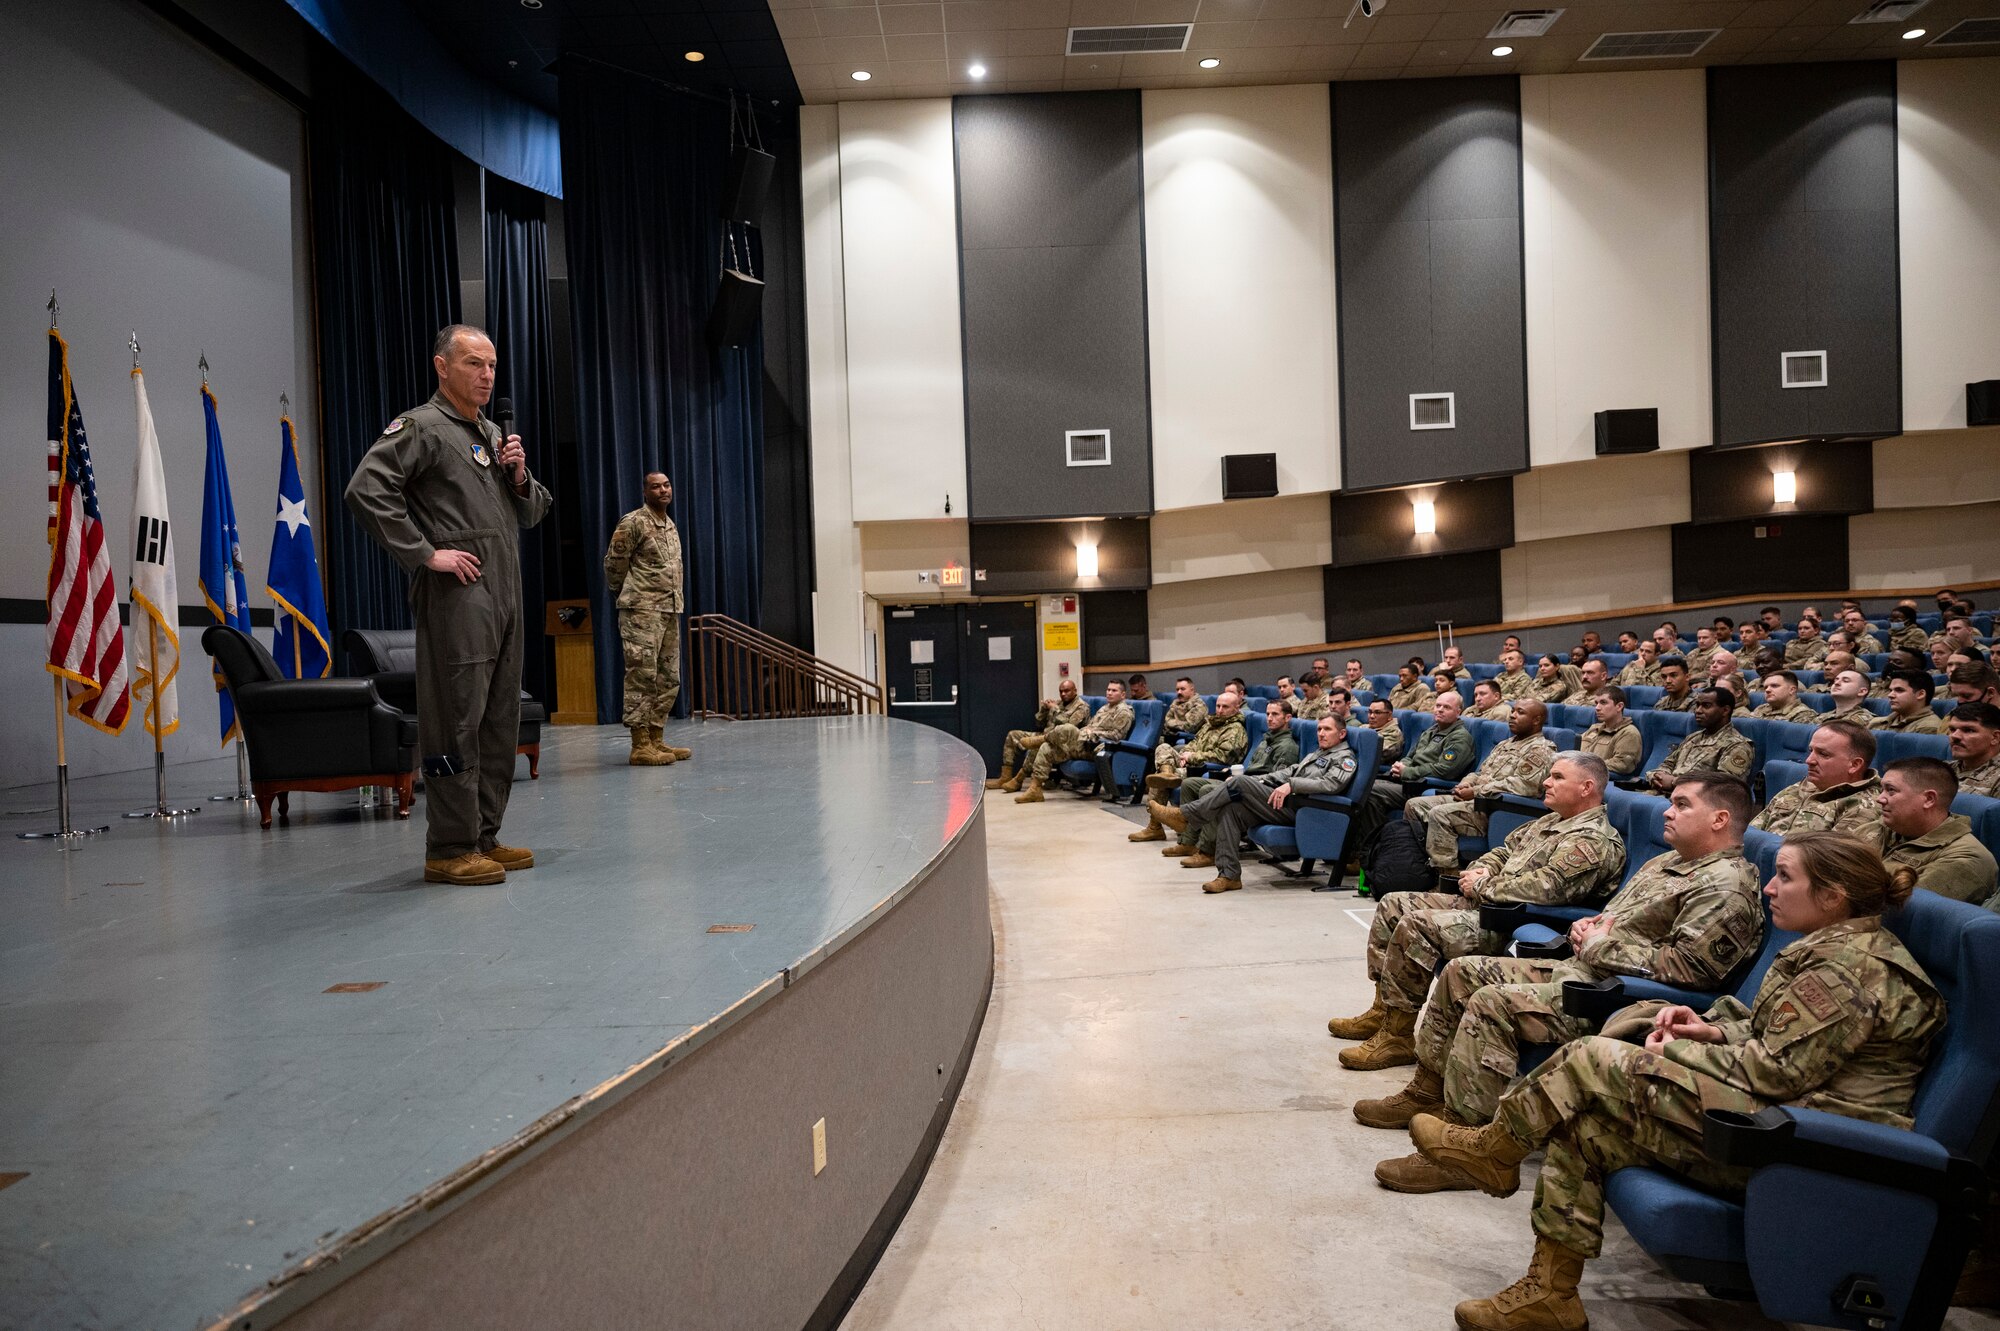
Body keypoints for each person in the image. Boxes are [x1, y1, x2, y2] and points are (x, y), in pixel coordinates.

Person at [1409, 831, 1942, 1331]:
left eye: (1785, 877)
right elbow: (1769, 1034)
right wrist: (1710, 1028)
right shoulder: (1826, 948)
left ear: (1833, 896)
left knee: (1593, 1059)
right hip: (1774, 1118)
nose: (1771, 888)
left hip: (1807, 1146)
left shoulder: (1848, 970)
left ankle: (1494, 1149)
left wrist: (1680, 1049)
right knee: (1590, 1123)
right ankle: (1552, 1295)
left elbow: (1774, 1072)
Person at [1361, 773, 1762, 1188]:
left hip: (1612, 999)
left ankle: (1465, 1153)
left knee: (1492, 1003)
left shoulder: (1727, 885)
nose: (1667, 810)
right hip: (1583, 970)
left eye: (1682, 804)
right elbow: (1617, 919)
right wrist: (1592, 926)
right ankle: (1428, 1092)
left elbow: (1691, 970)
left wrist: (1597, 946)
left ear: (1719, 819)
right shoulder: (1670, 861)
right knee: (1464, 973)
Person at [345, 324, 553, 887]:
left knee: (497, 720)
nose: (486, 375)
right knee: (456, 718)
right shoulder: (422, 427)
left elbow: (534, 511)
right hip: (459, 599)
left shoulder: (489, 433)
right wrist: (425, 553)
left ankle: (484, 834)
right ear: (442, 367)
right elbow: (365, 489)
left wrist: (517, 473)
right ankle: (449, 844)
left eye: (491, 365)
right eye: (472, 364)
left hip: (504, 595)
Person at [1331, 752, 1625, 1072]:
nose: (1545, 782)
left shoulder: (1592, 839)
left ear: (1586, 787)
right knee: (1393, 904)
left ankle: (1398, 1038)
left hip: (1512, 920)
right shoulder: (1553, 819)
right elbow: (1503, 850)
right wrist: (1480, 870)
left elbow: (1548, 890)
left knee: (1417, 925)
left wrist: (1484, 886)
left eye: (1557, 777)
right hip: (1485, 903)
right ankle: (1385, 1010)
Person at [1196, 716, 1360, 895]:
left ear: (1342, 733)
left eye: (1327, 729)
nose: (1321, 733)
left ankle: (1189, 815)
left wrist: (1292, 785)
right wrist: (1260, 780)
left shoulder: (1345, 757)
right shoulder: (1318, 752)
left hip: (1309, 811)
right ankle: (1229, 876)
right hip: (1292, 805)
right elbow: (1291, 771)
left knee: (1240, 782)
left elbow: (1331, 784)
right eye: (1319, 729)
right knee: (1232, 809)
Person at [1403, 701, 1560, 878]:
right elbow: (1481, 772)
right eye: (1513, 711)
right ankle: (1418, 868)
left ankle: (1448, 877)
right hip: (1476, 801)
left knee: (1440, 814)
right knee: (1414, 806)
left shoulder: (1541, 749)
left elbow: (1524, 786)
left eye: (1520, 712)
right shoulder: (1505, 744)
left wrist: (1477, 791)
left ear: (1537, 720)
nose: (1513, 715)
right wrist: (1466, 784)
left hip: (1496, 810)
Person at [604, 471, 689, 767]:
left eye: (667, 485)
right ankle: (639, 745)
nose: (663, 490)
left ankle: (656, 738)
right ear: (645, 492)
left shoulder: (669, 525)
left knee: (668, 678)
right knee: (642, 675)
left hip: (669, 610)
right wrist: (628, 593)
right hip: (641, 611)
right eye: (656, 486)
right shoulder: (634, 522)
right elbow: (614, 564)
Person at [1161, 698, 1299, 868]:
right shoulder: (1266, 740)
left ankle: (1208, 851)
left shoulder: (1287, 746)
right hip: (1243, 782)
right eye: (1268, 714)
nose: (1269, 718)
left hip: (1256, 792)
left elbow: (1276, 781)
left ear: (1287, 718)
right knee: (1190, 783)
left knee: (1207, 789)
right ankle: (1188, 842)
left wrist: (1242, 780)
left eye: (1275, 714)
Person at [1346, 691, 1474, 860]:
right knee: (1369, 793)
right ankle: (1373, 852)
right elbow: (1410, 755)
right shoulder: (1431, 730)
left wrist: (1407, 772)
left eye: (1447, 707)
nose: (1440, 710)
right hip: (1410, 782)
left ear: (1458, 712)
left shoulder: (1460, 737)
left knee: (1370, 791)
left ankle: (1374, 852)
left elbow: (1445, 770)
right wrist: (1402, 765)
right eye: (1438, 706)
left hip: (1428, 787)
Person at [1131, 692, 1249, 841]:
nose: (1219, 710)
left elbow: (1223, 757)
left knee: (1160, 780)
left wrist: (1191, 757)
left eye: (1225, 707)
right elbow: (1195, 742)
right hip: (1192, 764)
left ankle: (1155, 827)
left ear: (1237, 708)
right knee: (1164, 748)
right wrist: (1186, 753)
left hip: (1206, 770)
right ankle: (1167, 774)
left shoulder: (1235, 729)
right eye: (1218, 706)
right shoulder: (1211, 724)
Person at [1878, 758, 1998, 903]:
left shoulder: (1967, 859)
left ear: (1929, 799)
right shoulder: (1880, 826)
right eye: (1882, 789)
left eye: (1891, 790)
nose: (1880, 798)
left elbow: (1896, 908)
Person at [1753, 719, 1883, 841]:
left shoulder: (1863, 808)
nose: (1809, 760)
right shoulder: (1800, 787)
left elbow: (1825, 861)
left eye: (1823, 754)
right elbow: (1751, 833)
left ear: (1855, 765)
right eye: (1811, 751)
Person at [1011, 681, 1134, 805]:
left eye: (1114, 690)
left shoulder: (1124, 712)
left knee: (1067, 728)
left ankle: (1041, 739)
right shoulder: (1104, 708)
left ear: (1123, 695)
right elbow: (1090, 725)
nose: (1109, 693)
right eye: (1108, 690)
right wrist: (1087, 730)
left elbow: (1117, 736)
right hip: (1083, 744)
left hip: (1096, 748)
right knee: (1046, 748)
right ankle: (1035, 789)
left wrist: (1093, 733)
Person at [990, 679, 1090, 792]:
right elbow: (1039, 723)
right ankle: (1005, 777)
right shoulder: (1059, 703)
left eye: (1066, 691)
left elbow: (1067, 727)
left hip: (1063, 742)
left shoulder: (1081, 707)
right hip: (1045, 735)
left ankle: (1019, 779)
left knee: (1038, 744)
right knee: (1013, 735)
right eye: (1061, 691)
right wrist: (1044, 710)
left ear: (1075, 691)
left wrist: (1055, 709)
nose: (1063, 694)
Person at [1645, 688, 1753, 790]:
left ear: (1725, 710)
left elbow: (1724, 786)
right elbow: (1668, 764)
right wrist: (1657, 776)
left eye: (1706, 706)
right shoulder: (1693, 737)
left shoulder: (1737, 745)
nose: (1698, 711)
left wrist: (1675, 781)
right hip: (1667, 794)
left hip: (1699, 802)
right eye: (1697, 705)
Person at [1578, 685, 1642, 780]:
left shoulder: (1628, 733)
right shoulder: (1594, 728)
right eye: (1596, 703)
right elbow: (1575, 749)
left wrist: (1585, 766)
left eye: (1603, 703)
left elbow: (1623, 764)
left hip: (1600, 779)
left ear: (1619, 706)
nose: (1597, 708)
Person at [1871, 670, 1948, 734]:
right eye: (1890, 690)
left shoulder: (1928, 727)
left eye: (1899, 690)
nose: (1890, 695)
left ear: (1920, 694)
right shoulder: (1876, 722)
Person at [1949, 702, 2000, 798]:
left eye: (1969, 730)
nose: (1955, 736)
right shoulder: (1942, 770)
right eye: (1952, 729)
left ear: (1995, 738)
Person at [1158, 676, 1208, 745]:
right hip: (1171, 737)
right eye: (1177, 689)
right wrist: (1178, 724)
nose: (1179, 692)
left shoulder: (1199, 706)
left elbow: (1189, 727)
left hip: (1192, 742)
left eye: (1182, 689)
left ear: (1192, 690)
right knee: (1153, 743)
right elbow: (1166, 721)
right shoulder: (1175, 703)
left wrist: (1172, 724)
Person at [1366, 699, 1405, 765]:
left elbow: (1372, 753)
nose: (1372, 716)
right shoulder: (1364, 727)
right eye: (1370, 712)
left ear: (1389, 716)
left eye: (1377, 712)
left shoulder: (1393, 734)